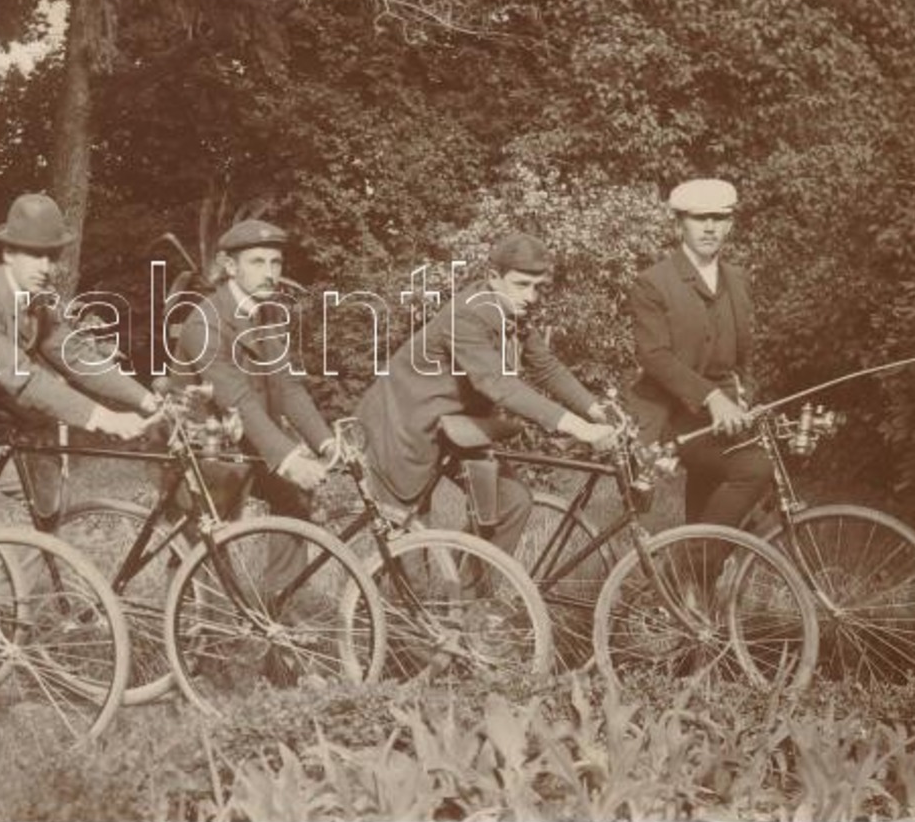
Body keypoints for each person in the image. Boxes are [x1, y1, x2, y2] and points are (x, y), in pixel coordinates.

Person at [0, 192, 158, 525]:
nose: (45, 267)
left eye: (52, 257)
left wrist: (146, 399)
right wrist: (101, 417)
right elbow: (22, 378)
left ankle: (22, 577)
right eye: (35, 255)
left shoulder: (34, 303)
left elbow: (76, 356)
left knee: (45, 508)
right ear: (8, 252)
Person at [355, 232, 618, 556]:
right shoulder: (467, 314)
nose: (532, 297)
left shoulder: (513, 314)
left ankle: (468, 601)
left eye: (538, 287)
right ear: (493, 278)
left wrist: (596, 410)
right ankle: (392, 605)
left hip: (458, 428)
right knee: (408, 550)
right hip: (402, 428)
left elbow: (546, 367)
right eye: (522, 284)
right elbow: (498, 384)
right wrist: (581, 429)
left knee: (512, 503)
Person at [169, 219, 337, 594]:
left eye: (276, 263)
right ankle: (196, 631)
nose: (270, 273)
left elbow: (287, 387)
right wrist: (290, 459)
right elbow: (237, 398)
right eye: (257, 262)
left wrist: (326, 443)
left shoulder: (261, 316)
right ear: (231, 267)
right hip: (201, 447)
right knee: (210, 541)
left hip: (242, 441)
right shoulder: (206, 321)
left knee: (294, 497)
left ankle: (279, 605)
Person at [628, 178, 773, 532]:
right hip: (672, 415)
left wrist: (743, 397)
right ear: (679, 225)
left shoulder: (737, 279)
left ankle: (694, 582)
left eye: (719, 218)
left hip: (722, 417)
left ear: (730, 225)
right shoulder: (653, 282)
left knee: (712, 501)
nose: (710, 228)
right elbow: (654, 355)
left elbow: (744, 355)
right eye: (699, 218)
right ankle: (688, 563)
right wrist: (711, 397)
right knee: (754, 470)